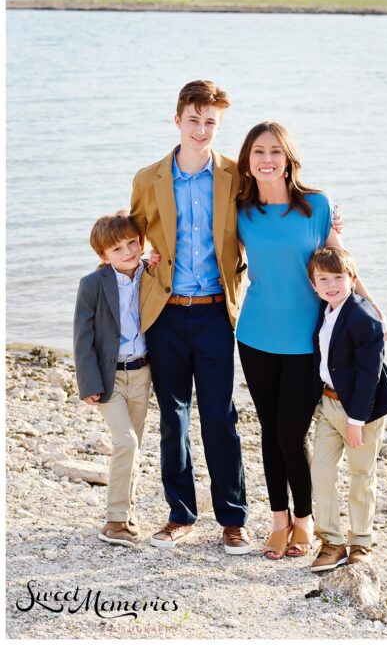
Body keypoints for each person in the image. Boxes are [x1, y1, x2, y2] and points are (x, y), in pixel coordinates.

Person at [231, 120, 382, 560]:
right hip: (255, 334)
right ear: (248, 160)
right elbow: (210, 249)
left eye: (275, 151)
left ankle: (305, 520)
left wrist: (372, 306)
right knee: (268, 432)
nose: (267, 159)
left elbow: (343, 264)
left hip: (306, 341)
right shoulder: (240, 212)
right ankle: (279, 520)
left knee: (291, 432)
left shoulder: (316, 207)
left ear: (288, 158)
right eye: (258, 152)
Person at [130, 80, 250, 554]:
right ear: (177, 120)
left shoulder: (236, 176)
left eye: (211, 123)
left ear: (219, 125)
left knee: (221, 418)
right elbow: (132, 236)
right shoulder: (148, 178)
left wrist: (326, 224)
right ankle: (180, 515)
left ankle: (233, 519)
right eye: (194, 120)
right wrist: (136, 261)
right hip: (165, 315)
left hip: (217, 314)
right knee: (173, 418)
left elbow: (269, 215)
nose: (202, 130)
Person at [307, 246, 387, 572]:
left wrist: (356, 420)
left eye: (338, 277)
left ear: (353, 278)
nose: (331, 284)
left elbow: (369, 375)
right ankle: (332, 542)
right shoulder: (326, 310)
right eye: (323, 279)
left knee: (361, 476)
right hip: (329, 403)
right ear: (314, 284)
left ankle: (361, 542)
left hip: (360, 412)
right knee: (320, 473)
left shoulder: (364, 318)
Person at [73, 211, 152, 547]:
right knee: (126, 443)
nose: (127, 252)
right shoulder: (92, 285)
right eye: (117, 249)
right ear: (104, 256)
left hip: (142, 372)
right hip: (109, 378)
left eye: (132, 243)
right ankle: (115, 521)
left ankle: (127, 512)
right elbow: (82, 336)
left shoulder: (150, 273)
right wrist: (88, 383)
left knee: (134, 444)